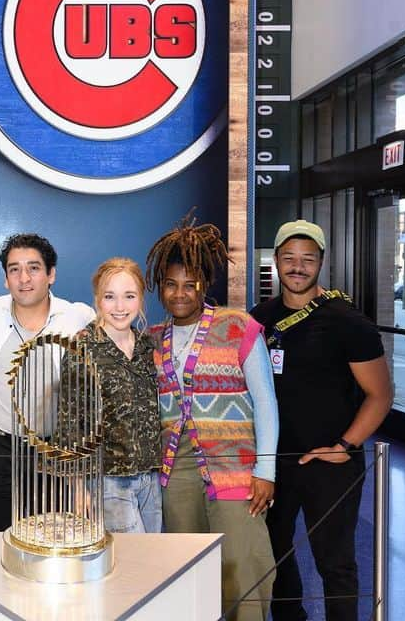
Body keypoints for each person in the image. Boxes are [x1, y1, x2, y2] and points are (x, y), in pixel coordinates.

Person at [250, 219, 393, 621]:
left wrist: (345, 446)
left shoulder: (347, 321)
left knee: (335, 563)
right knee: (275, 555)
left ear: (322, 263)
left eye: (307, 259)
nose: (298, 267)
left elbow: (380, 395)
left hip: (332, 464)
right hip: (274, 463)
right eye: (289, 258)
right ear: (276, 261)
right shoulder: (259, 319)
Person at [145, 215, 279, 621]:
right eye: (171, 284)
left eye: (190, 285)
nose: (180, 294)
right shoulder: (152, 338)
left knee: (243, 571)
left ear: (204, 285)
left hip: (236, 467)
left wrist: (267, 470)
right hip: (176, 471)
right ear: (160, 287)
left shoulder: (238, 327)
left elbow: (266, 402)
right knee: (185, 572)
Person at [0, 233, 94, 531]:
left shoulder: (78, 317)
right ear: (5, 278)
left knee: (51, 539)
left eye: (34, 268)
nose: (23, 278)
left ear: (51, 274)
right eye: (14, 269)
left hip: (51, 451)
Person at [64, 257, 161, 533]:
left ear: (140, 300)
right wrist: (78, 488)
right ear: (97, 299)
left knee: (153, 559)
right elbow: (71, 423)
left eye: (129, 296)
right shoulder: (82, 348)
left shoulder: (146, 347)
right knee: (133, 565)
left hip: (150, 476)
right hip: (107, 481)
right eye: (110, 297)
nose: (120, 307)